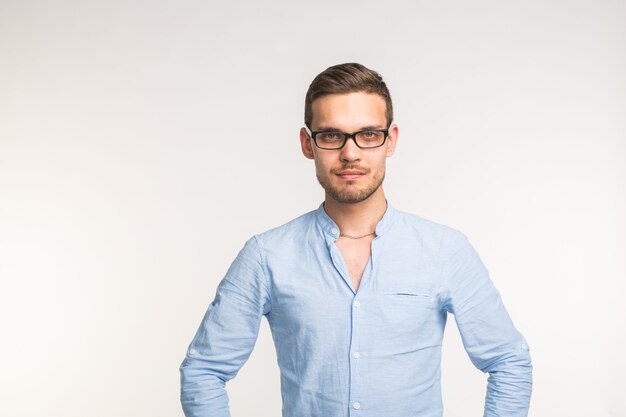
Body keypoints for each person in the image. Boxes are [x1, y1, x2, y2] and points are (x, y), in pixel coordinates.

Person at [179, 63, 532, 417]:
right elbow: (204, 370)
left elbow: (508, 361)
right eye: (332, 135)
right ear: (307, 143)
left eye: (368, 134)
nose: (350, 153)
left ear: (390, 140)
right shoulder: (267, 255)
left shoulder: (444, 250)